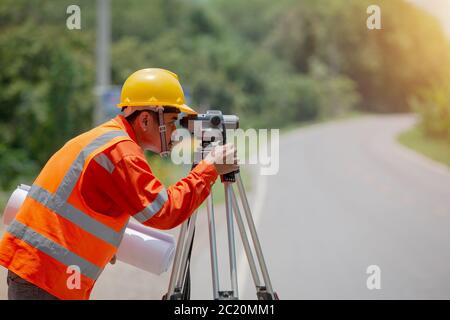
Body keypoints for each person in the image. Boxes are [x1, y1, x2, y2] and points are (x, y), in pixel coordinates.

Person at [0, 68, 238, 300]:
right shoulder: (121, 152)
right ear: (145, 119)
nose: (176, 130)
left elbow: (83, 210)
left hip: (41, 272)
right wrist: (210, 168)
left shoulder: (106, 138)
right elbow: (164, 212)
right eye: (172, 120)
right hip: (46, 278)